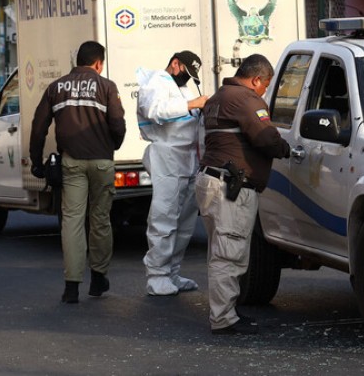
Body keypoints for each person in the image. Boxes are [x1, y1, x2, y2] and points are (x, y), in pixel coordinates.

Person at [195, 54, 291, 335]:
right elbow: (265, 137)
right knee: (229, 252)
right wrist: (285, 148)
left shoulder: (218, 98)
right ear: (257, 79)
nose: (265, 91)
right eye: (266, 84)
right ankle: (224, 319)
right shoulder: (247, 100)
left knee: (221, 249)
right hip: (231, 187)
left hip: (211, 181)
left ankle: (225, 312)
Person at [29, 41, 126, 304]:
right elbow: (118, 124)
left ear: (77, 60)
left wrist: (36, 161)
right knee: (100, 220)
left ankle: (71, 286)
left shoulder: (56, 87)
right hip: (102, 162)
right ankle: (98, 278)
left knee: (72, 222)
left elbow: (39, 127)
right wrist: (112, 145)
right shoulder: (107, 87)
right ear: (98, 63)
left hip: (71, 163)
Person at [136, 51, 209, 296]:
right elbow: (154, 111)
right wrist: (193, 104)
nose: (186, 79)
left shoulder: (182, 88)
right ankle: (157, 276)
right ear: (174, 63)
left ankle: (172, 273)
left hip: (188, 159)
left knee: (185, 221)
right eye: (185, 72)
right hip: (167, 157)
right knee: (164, 218)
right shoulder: (156, 82)